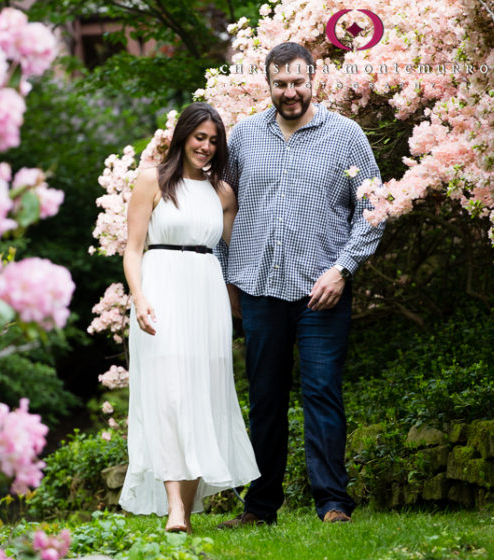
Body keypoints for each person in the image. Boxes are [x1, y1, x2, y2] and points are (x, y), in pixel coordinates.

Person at [216, 42, 385, 527]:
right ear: (267, 84)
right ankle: (259, 508)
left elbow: (372, 208)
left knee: (322, 394)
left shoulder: (347, 137)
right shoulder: (245, 137)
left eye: (297, 82)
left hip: (321, 291)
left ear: (314, 80)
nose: (289, 92)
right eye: (280, 84)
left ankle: (333, 504)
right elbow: (224, 210)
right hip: (259, 290)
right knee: (265, 398)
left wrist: (344, 268)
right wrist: (230, 278)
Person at [119, 102, 259, 533]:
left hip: (206, 292)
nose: (206, 146)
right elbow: (133, 248)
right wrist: (139, 297)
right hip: (161, 288)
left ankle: (188, 505)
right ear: (183, 136)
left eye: (214, 140)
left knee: (202, 393)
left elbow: (237, 251)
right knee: (168, 395)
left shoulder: (222, 194)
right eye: (200, 137)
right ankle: (174, 508)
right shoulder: (152, 181)